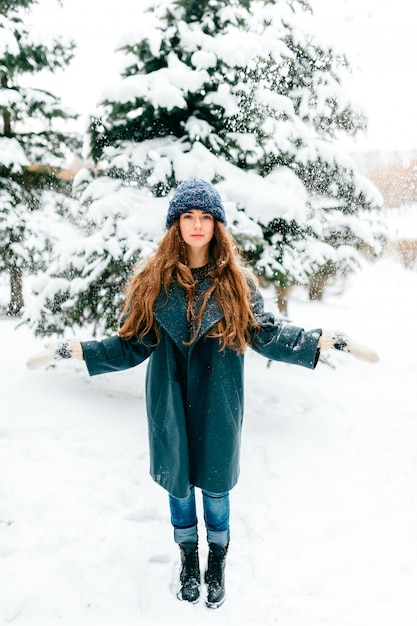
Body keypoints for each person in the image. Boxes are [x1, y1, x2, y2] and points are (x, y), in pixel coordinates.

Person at [27, 178, 379, 609]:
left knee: (215, 490)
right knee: (178, 489)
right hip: (170, 401)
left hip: (219, 400)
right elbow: (132, 344)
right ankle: (188, 558)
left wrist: (321, 340)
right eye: (188, 217)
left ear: (217, 225)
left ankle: (217, 560)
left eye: (205, 217)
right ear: (175, 224)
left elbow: (265, 335)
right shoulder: (152, 281)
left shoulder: (236, 283)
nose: (197, 225)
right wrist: (77, 349)